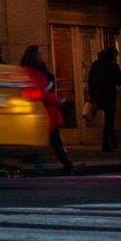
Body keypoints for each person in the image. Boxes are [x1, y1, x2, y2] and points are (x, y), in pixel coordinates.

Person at [20, 45, 78, 173]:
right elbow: (39, 90)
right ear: (32, 56)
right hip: (40, 109)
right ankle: (64, 166)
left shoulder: (41, 69)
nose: (41, 56)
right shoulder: (28, 70)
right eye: (39, 54)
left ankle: (68, 166)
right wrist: (56, 99)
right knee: (44, 141)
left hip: (48, 109)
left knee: (55, 140)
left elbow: (45, 88)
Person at [87, 45, 121, 152]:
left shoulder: (95, 64)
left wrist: (93, 96)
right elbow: (119, 81)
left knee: (108, 118)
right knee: (109, 118)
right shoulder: (113, 65)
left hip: (98, 94)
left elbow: (90, 81)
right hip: (109, 94)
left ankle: (112, 142)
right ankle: (106, 143)